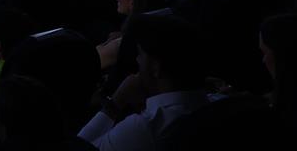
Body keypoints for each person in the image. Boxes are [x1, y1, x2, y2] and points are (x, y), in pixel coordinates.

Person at [78, 14, 211, 150]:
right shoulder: (216, 104)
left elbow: (77, 147)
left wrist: (115, 103)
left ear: (155, 67)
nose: (137, 60)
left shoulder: (145, 128)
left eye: (141, 54)